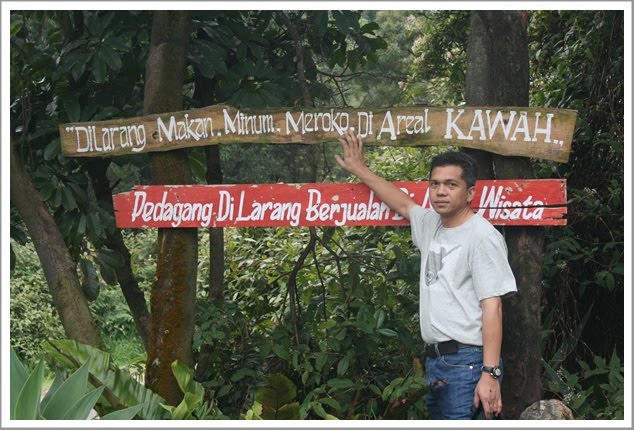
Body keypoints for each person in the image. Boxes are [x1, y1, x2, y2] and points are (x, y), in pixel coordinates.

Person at [335, 129, 517, 420]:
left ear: (470, 192)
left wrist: (490, 374)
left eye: (451, 184)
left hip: (468, 363)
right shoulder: (432, 225)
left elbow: (492, 306)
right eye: (435, 184)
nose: (441, 191)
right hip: (435, 362)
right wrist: (360, 169)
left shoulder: (482, 236)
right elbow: (403, 203)